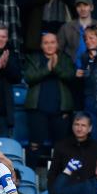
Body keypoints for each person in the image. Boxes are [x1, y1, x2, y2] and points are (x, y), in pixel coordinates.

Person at [23, 31, 75, 170]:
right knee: (34, 146)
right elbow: (29, 77)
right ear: (41, 45)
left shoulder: (64, 58)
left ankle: (58, 177)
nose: (49, 45)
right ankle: (31, 177)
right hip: (37, 109)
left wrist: (56, 66)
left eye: (52, 42)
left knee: (61, 147)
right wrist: (47, 68)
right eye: (46, 42)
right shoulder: (33, 58)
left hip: (60, 110)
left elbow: (70, 76)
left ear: (57, 44)